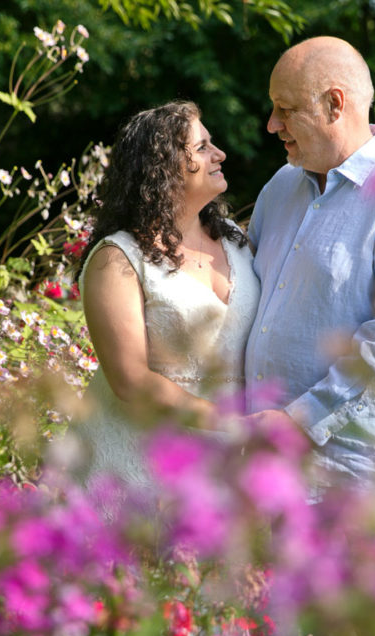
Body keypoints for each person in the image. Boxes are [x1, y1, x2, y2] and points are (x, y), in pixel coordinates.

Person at [244, 37, 375, 496]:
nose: (271, 124)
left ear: (334, 104)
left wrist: (297, 422)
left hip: (368, 476)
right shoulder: (279, 187)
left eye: (285, 108)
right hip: (274, 466)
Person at [75, 101, 260, 488]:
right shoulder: (119, 258)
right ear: (162, 168)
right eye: (201, 147)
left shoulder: (236, 239)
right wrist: (226, 422)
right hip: (138, 463)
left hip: (224, 465)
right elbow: (130, 380)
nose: (219, 153)